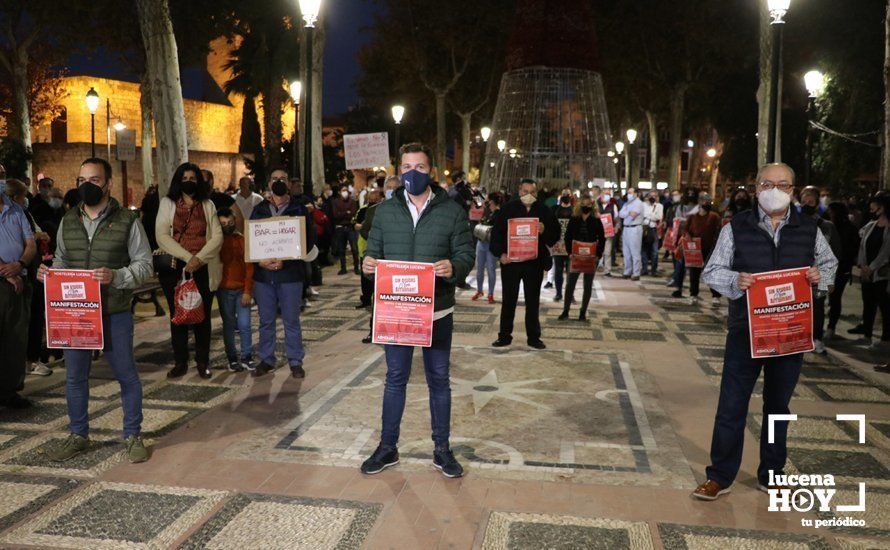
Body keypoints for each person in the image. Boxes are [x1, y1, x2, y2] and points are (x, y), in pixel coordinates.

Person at [692, 163, 837, 501]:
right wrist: (735, 280)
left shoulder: (809, 228)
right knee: (731, 404)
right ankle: (719, 476)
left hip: (789, 334)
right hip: (746, 332)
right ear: (756, 187)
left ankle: (771, 474)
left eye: (783, 184)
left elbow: (829, 267)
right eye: (768, 183)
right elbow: (711, 271)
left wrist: (820, 278)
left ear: (794, 190)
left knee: (778, 407)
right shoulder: (736, 227)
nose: (775, 189)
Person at [360, 142, 474, 478]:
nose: (413, 173)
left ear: (432, 172)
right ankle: (387, 447)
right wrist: (368, 265)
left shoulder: (451, 211)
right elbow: (375, 254)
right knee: (395, 379)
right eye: (407, 166)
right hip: (397, 313)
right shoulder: (384, 211)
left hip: (436, 312)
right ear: (399, 170)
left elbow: (466, 253)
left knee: (439, 380)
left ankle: (442, 450)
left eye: (420, 167)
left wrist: (454, 267)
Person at [40, 157, 153, 463]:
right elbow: (62, 260)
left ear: (108, 184)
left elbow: (144, 264)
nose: (86, 186)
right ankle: (78, 434)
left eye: (94, 180)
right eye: (81, 180)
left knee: (126, 375)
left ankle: (132, 435)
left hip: (114, 311)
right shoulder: (68, 221)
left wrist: (117, 276)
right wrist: (49, 275)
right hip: (76, 313)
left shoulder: (128, 221)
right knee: (76, 376)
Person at [155, 163, 223, 380]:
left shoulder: (208, 204)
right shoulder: (168, 203)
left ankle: (203, 362)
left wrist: (199, 259)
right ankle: (180, 362)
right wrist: (188, 259)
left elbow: (217, 237)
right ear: (178, 180)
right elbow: (162, 235)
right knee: (178, 316)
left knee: (202, 318)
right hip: (175, 268)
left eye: (193, 177)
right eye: (185, 177)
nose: (189, 181)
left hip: (203, 268)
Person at [250, 167, 316, 378]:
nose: (278, 181)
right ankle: (267, 359)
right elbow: (251, 242)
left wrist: (284, 260)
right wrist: (260, 262)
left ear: (288, 184)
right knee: (266, 320)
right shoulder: (259, 209)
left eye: (282, 179)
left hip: (290, 275)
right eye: (274, 178)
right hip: (264, 276)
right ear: (269, 184)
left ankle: (295, 361)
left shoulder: (299, 209)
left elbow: (308, 240)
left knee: (291, 320)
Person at [489, 178, 560, 349]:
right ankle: (504, 336)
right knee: (508, 300)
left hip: (534, 263)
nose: (528, 195)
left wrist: (545, 230)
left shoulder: (544, 210)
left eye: (532, 192)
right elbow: (496, 235)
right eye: (525, 191)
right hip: (511, 262)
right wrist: (501, 254)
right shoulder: (508, 209)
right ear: (519, 191)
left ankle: (534, 337)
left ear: (537, 193)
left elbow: (555, 236)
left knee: (533, 301)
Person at [5, 179, 53, 377]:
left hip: (30, 271)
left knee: (33, 315)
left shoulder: (22, 212)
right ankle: (25, 364)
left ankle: (29, 361)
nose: (26, 199)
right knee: (19, 323)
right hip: (16, 274)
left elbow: (30, 240)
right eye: (23, 196)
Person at [0, 170, 37, 410]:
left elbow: (30, 243)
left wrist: (20, 264)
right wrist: (5, 272)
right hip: (6, 280)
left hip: (19, 279)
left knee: (15, 339)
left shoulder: (17, 210)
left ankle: (10, 391)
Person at [799, 186, 841, 354]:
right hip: (797, 275)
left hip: (819, 274)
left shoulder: (827, 226)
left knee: (817, 308)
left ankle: (816, 338)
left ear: (817, 203)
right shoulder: (790, 223)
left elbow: (835, 252)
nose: (807, 204)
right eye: (804, 201)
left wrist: (830, 278)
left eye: (810, 201)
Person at [848, 194, 890, 350]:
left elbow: (885, 252)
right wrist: (862, 265)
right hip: (867, 272)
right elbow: (863, 246)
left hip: (882, 274)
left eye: (875, 204)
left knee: (885, 306)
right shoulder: (871, 225)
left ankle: (886, 339)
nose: (871, 207)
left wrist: (872, 267)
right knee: (868, 304)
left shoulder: (888, 227)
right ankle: (867, 335)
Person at [216, 207, 254, 372]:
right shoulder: (216, 243)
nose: (227, 225)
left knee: (245, 324)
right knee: (229, 326)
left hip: (241, 290)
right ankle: (232, 358)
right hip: (224, 290)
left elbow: (249, 267)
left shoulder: (242, 240)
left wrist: (247, 291)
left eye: (230, 222)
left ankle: (247, 356)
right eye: (223, 224)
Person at [558, 195, 605, 321]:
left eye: (588, 204)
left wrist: (598, 255)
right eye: (583, 204)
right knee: (570, 285)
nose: (586, 206)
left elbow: (602, 238)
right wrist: (569, 253)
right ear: (580, 205)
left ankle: (583, 312)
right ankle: (565, 311)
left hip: (591, 257)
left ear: (592, 205)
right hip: (575, 256)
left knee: (588, 285)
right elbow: (567, 237)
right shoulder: (574, 219)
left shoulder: (596, 220)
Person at [673, 193, 722, 301]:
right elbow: (685, 229)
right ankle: (693, 293)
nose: (708, 203)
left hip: (709, 248)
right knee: (694, 272)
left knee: (711, 272)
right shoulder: (693, 216)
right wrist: (689, 236)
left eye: (709, 202)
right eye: (705, 201)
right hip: (695, 248)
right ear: (700, 203)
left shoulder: (714, 216)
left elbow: (719, 230)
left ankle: (715, 295)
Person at [823, 201, 859, 340]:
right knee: (830, 299)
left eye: (831, 211)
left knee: (834, 298)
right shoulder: (829, 226)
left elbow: (852, 249)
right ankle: (827, 327)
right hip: (833, 268)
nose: (829, 213)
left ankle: (831, 327)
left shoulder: (845, 228)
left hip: (840, 269)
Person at [472, 192, 502, 303]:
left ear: (492, 201)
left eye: (488, 200)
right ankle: (479, 291)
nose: (487, 202)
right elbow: (482, 221)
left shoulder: (499, 212)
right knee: (479, 269)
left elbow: (495, 227)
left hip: (491, 244)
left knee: (491, 269)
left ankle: (490, 294)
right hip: (481, 242)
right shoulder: (486, 210)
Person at [550, 191, 574, 302]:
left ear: (570, 196)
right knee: (558, 271)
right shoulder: (555, 209)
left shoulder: (574, 210)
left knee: (571, 272)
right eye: (563, 194)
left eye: (567, 194)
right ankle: (558, 293)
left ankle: (570, 294)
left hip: (571, 246)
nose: (565, 196)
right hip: (558, 245)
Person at [331, 184, 359, 275]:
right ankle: (343, 268)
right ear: (339, 192)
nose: (345, 192)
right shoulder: (335, 202)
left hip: (350, 227)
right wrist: (346, 213)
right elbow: (335, 215)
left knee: (354, 249)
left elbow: (353, 213)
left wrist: (342, 214)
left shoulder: (352, 202)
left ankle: (356, 267)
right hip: (340, 228)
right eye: (343, 190)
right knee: (341, 249)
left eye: (346, 190)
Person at [618, 187, 644, 280]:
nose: (628, 194)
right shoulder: (627, 203)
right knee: (626, 251)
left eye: (630, 192)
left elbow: (633, 214)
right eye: (628, 192)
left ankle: (636, 273)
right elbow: (620, 214)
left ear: (636, 194)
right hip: (626, 228)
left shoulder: (638, 203)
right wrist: (628, 212)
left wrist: (626, 212)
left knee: (635, 251)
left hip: (635, 228)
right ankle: (627, 271)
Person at [641, 190, 664, 276]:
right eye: (651, 195)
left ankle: (654, 270)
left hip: (653, 230)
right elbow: (641, 215)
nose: (653, 197)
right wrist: (651, 216)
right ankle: (644, 269)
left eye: (655, 196)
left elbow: (658, 217)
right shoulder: (644, 205)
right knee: (644, 250)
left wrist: (647, 216)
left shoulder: (659, 206)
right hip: (644, 229)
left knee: (654, 251)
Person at [598, 188, 620, 277]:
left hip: (608, 232)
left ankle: (607, 270)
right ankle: (595, 267)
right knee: (596, 251)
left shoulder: (613, 206)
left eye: (608, 194)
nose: (607, 196)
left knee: (607, 252)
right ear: (601, 195)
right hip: (597, 232)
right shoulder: (596, 205)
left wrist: (616, 227)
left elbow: (617, 219)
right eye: (605, 194)